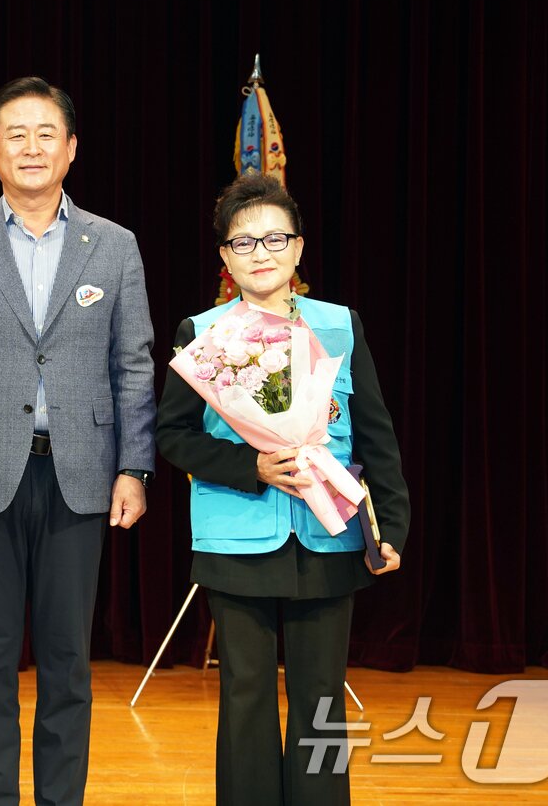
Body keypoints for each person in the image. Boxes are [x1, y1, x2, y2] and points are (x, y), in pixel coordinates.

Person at [0, 76, 157, 805]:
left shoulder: (113, 245)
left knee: (67, 662)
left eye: (46, 132)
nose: (31, 146)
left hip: (81, 475)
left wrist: (134, 466)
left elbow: (133, 361)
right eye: (14, 133)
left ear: (71, 148)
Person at [155, 174, 410, 805]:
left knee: (320, 695)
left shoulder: (341, 326)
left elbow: (376, 434)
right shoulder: (202, 332)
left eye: (275, 239)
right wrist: (254, 466)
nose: (260, 253)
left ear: (298, 250)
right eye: (243, 243)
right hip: (236, 534)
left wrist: (391, 528)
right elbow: (174, 435)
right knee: (244, 691)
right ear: (224, 258)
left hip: (330, 532)